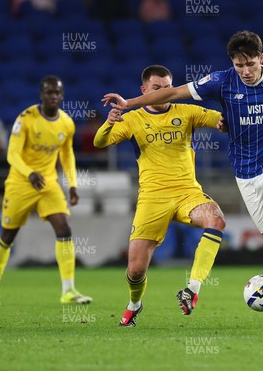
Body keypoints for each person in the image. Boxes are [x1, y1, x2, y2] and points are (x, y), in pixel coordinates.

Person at [102, 31, 263, 327]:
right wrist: (129, 103)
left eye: (251, 65)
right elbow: (171, 93)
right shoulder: (221, 81)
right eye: (239, 65)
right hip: (246, 173)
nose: (245, 71)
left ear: (261, 59)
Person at [94, 65, 226, 326]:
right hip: (152, 197)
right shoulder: (131, 119)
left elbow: (218, 120)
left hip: (187, 192)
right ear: (144, 90)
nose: (164, 93)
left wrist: (226, 121)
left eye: (168, 88)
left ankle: (193, 289)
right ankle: (135, 303)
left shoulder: (187, 112)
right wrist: (108, 124)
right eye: (157, 88)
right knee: (135, 271)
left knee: (217, 219)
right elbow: (100, 143)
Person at [0, 76, 92, 306]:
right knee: (7, 235)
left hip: (48, 184)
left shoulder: (66, 123)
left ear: (62, 96)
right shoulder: (26, 119)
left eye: (57, 93)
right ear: (41, 95)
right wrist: (29, 173)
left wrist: (73, 184)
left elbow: (67, 154)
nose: (53, 96)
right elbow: (11, 154)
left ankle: (69, 290)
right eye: (48, 92)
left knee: (64, 228)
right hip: (20, 182)